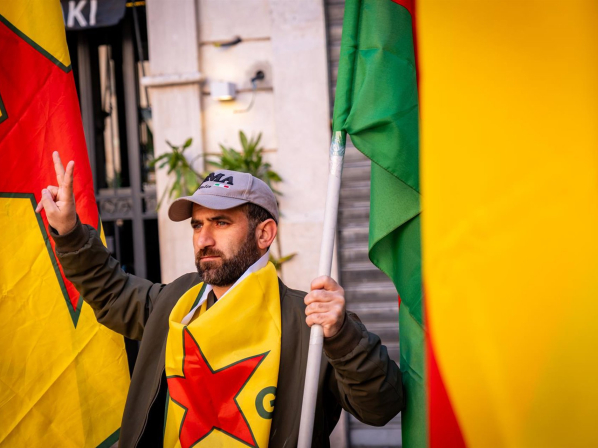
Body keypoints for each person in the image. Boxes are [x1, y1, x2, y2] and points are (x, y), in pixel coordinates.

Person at [36, 152, 404, 448]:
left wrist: (342, 336)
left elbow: (381, 406)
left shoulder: (310, 323)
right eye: (197, 225)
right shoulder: (177, 301)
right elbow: (112, 293)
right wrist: (68, 231)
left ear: (264, 234)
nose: (203, 239)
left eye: (221, 222)